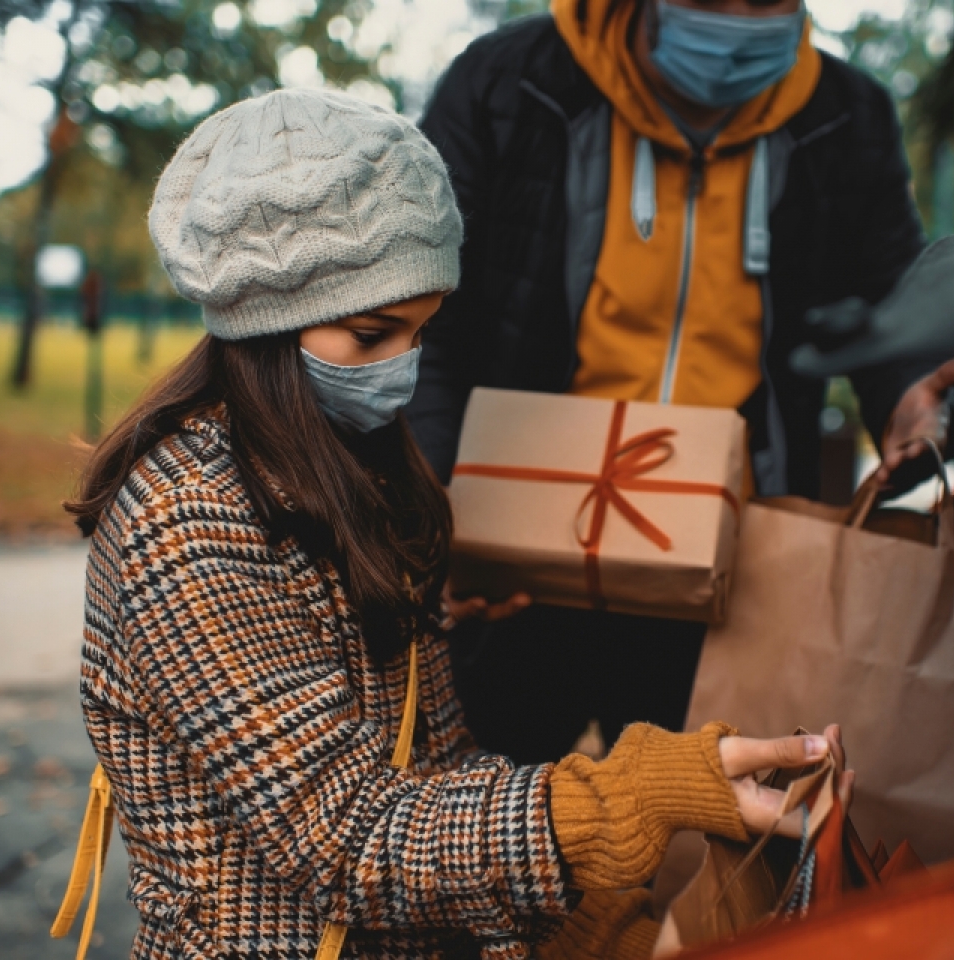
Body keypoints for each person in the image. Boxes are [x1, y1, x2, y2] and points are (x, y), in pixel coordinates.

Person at [64, 87, 853, 959]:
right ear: (264, 320)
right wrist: (625, 799)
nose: (402, 367)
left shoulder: (357, 465)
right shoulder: (186, 519)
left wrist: (590, 931)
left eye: (421, 332)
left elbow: (435, 773)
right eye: (372, 334)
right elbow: (347, 836)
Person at [411, 0, 954, 764]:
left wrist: (914, 397)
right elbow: (426, 308)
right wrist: (429, 496)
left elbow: (890, 305)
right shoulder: (506, 84)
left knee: (701, 829)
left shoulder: (847, 116)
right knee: (481, 814)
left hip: (729, 560)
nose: (740, 17)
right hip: (515, 545)